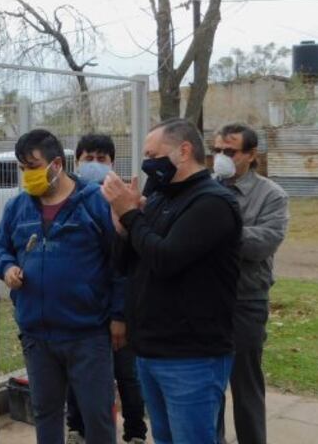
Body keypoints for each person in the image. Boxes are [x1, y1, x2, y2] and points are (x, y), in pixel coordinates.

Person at [102, 118, 242, 444]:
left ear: (184, 150)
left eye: (154, 153)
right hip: (151, 350)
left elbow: (166, 259)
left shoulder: (212, 202)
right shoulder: (160, 196)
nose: (148, 162)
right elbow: (125, 263)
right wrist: (123, 229)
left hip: (191, 356)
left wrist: (130, 215)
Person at [0, 129, 121, 444]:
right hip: (38, 335)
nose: (27, 175)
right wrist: (6, 267)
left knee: (98, 417)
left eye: (33, 166)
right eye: (22, 168)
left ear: (57, 164)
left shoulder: (94, 202)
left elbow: (120, 261)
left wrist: (120, 314)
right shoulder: (18, 207)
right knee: (45, 414)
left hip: (87, 334)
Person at [66, 134, 147, 444]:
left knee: (127, 374)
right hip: (80, 310)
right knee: (78, 375)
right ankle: (76, 428)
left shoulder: (123, 199)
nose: (95, 164)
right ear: (77, 161)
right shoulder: (67, 197)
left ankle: (136, 432)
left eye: (102, 159)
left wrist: (119, 314)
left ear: (113, 163)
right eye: (89, 158)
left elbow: (125, 264)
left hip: (115, 307)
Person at [213, 124, 288, 444]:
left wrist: (214, 231)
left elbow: (263, 243)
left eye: (229, 152)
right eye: (216, 150)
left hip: (246, 301)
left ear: (251, 154)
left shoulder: (271, 195)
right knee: (207, 386)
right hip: (206, 300)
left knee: (246, 386)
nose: (220, 158)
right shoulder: (206, 188)